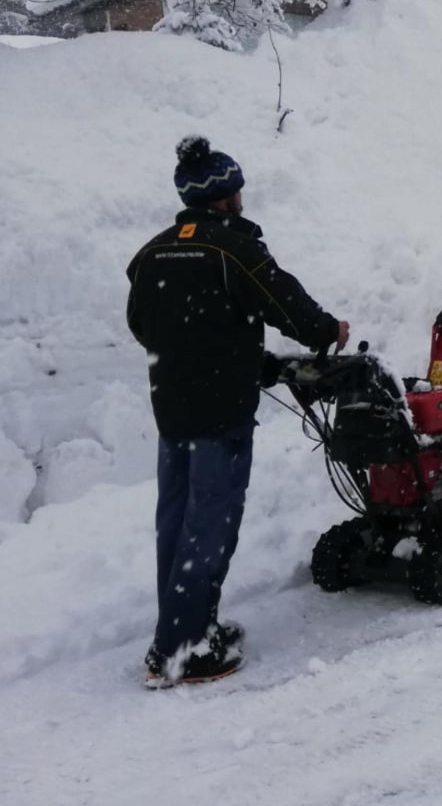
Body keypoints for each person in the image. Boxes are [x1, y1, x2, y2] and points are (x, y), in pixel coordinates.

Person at [126, 135, 349, 688]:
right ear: (225, 195)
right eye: (238, 189)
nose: (243, 198)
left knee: (176, 523)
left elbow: (141, 324)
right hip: (219, 412)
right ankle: (187, 649)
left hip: (171, 409)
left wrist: (207, 351)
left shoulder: (152, 251)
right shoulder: (232, 249)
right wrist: (329, 331)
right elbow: (286, 306)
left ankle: (178, 631)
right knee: (209, 523)